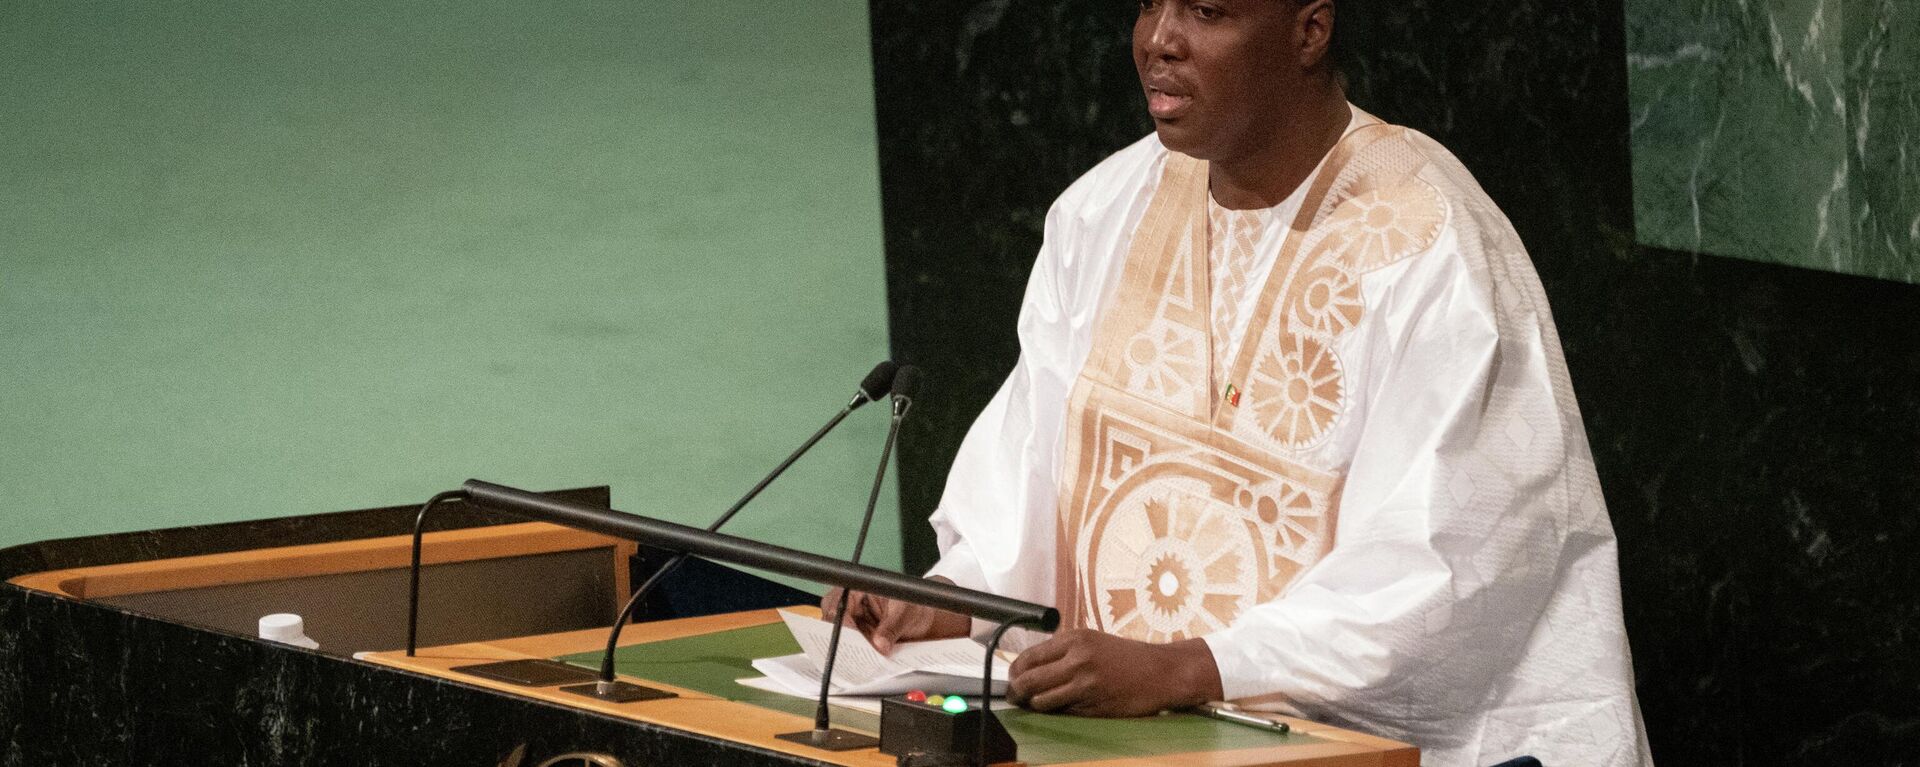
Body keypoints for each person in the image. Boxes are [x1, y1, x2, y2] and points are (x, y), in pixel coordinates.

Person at [826, 1, 1652, 764]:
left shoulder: (1430, 247)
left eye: (1208, 11)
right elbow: (1035, 480)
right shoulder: (1104, 209)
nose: (1160, 39)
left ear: (1309, 30)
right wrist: (941, 601)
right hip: (1107, 745)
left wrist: (1191, 668)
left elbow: (1444, 569)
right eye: (1150, 1)